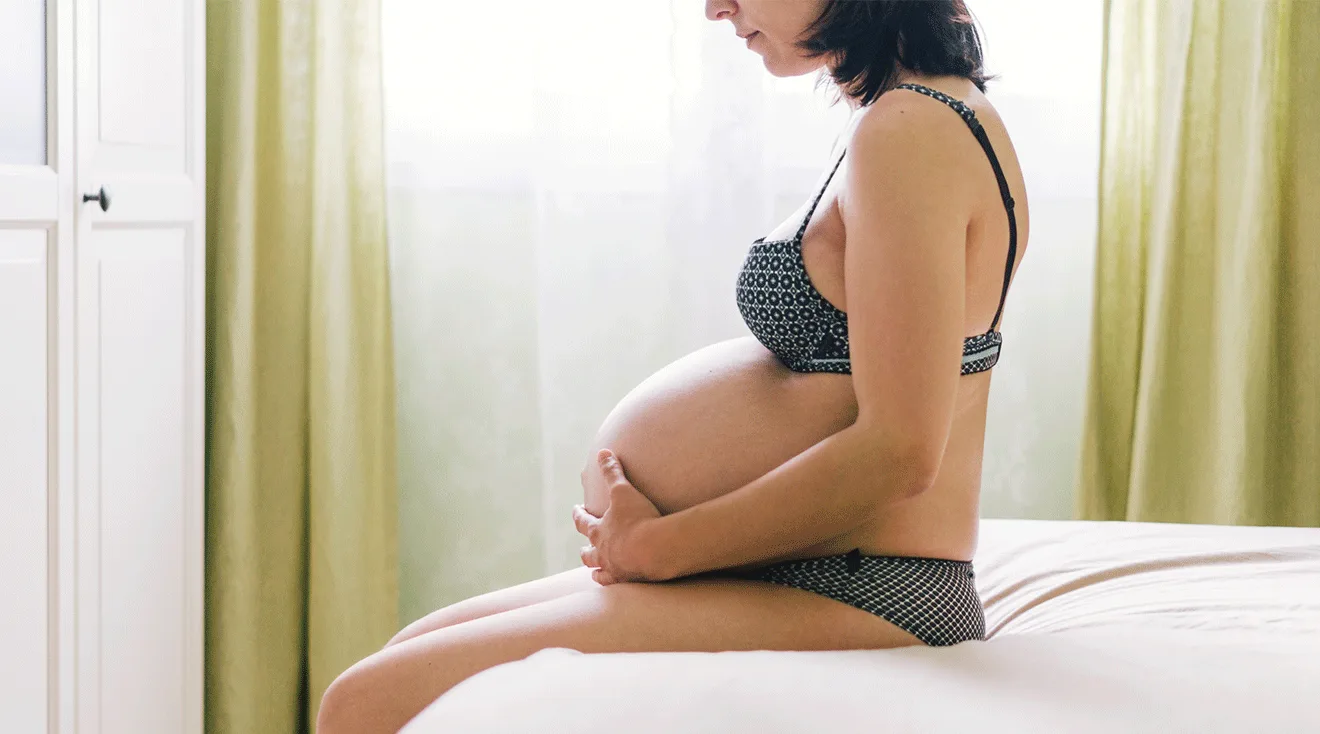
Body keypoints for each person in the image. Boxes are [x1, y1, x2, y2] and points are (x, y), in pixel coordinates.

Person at [318, 1, 1029, 731]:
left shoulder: (914, 131)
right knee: (399, 662)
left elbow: (900, 450)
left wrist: (661, 546)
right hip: (802, 567)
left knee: (365, 705)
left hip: (865, 585)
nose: (716, 7)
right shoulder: (911, 116)